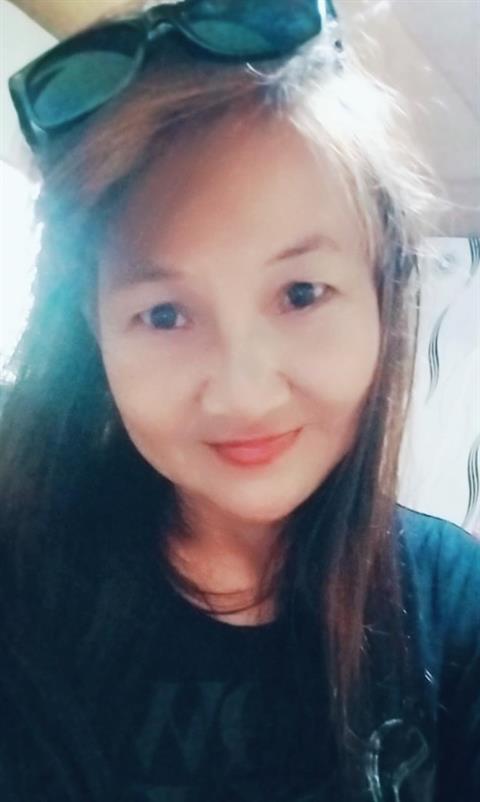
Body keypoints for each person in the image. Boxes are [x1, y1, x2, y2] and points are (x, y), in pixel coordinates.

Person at [0, 2, 478, 801]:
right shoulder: (24, 592)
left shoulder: (455, 601)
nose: (243, 391)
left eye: (300, 293)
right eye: (164, 314)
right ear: (95, 332)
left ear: (382, 296)